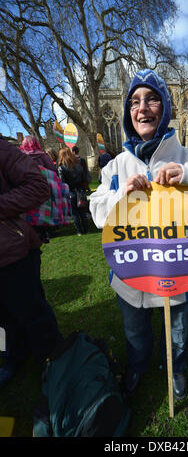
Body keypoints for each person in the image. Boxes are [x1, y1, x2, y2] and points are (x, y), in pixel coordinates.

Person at [90, 69, 188, 400]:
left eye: (152, 98)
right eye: (135, 101)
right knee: (134, 331)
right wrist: (119, 194)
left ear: (165, 107)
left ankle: (175, 369)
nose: (143, 108)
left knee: (177, 331)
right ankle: (137, 367)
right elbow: (97, 213)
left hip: (179, 271)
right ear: (128, 113)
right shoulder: (115, 166)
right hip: (131, 273)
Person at [0, 138, 63, 387]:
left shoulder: (3, 150)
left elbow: (38, 187)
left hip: (13, 253)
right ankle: (13, 357)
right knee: (3, 320)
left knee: (33, 314)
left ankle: (53, 361)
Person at [20, 136, 58, 243]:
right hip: (44, 186)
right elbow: (53, 170)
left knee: (32, 209)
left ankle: (36, 232)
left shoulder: (20, 157)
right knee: (45, 208)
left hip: (28, 188)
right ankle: (47, 231)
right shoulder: (43, 155)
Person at [57, 148, 89, 236]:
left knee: (75, 213)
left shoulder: (61, 168)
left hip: (70, 192)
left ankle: (79, 231)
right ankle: (86, 229)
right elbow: (83, 178)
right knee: (82, 211)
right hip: (80, 190)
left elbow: (62, 182)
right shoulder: (78, 165)